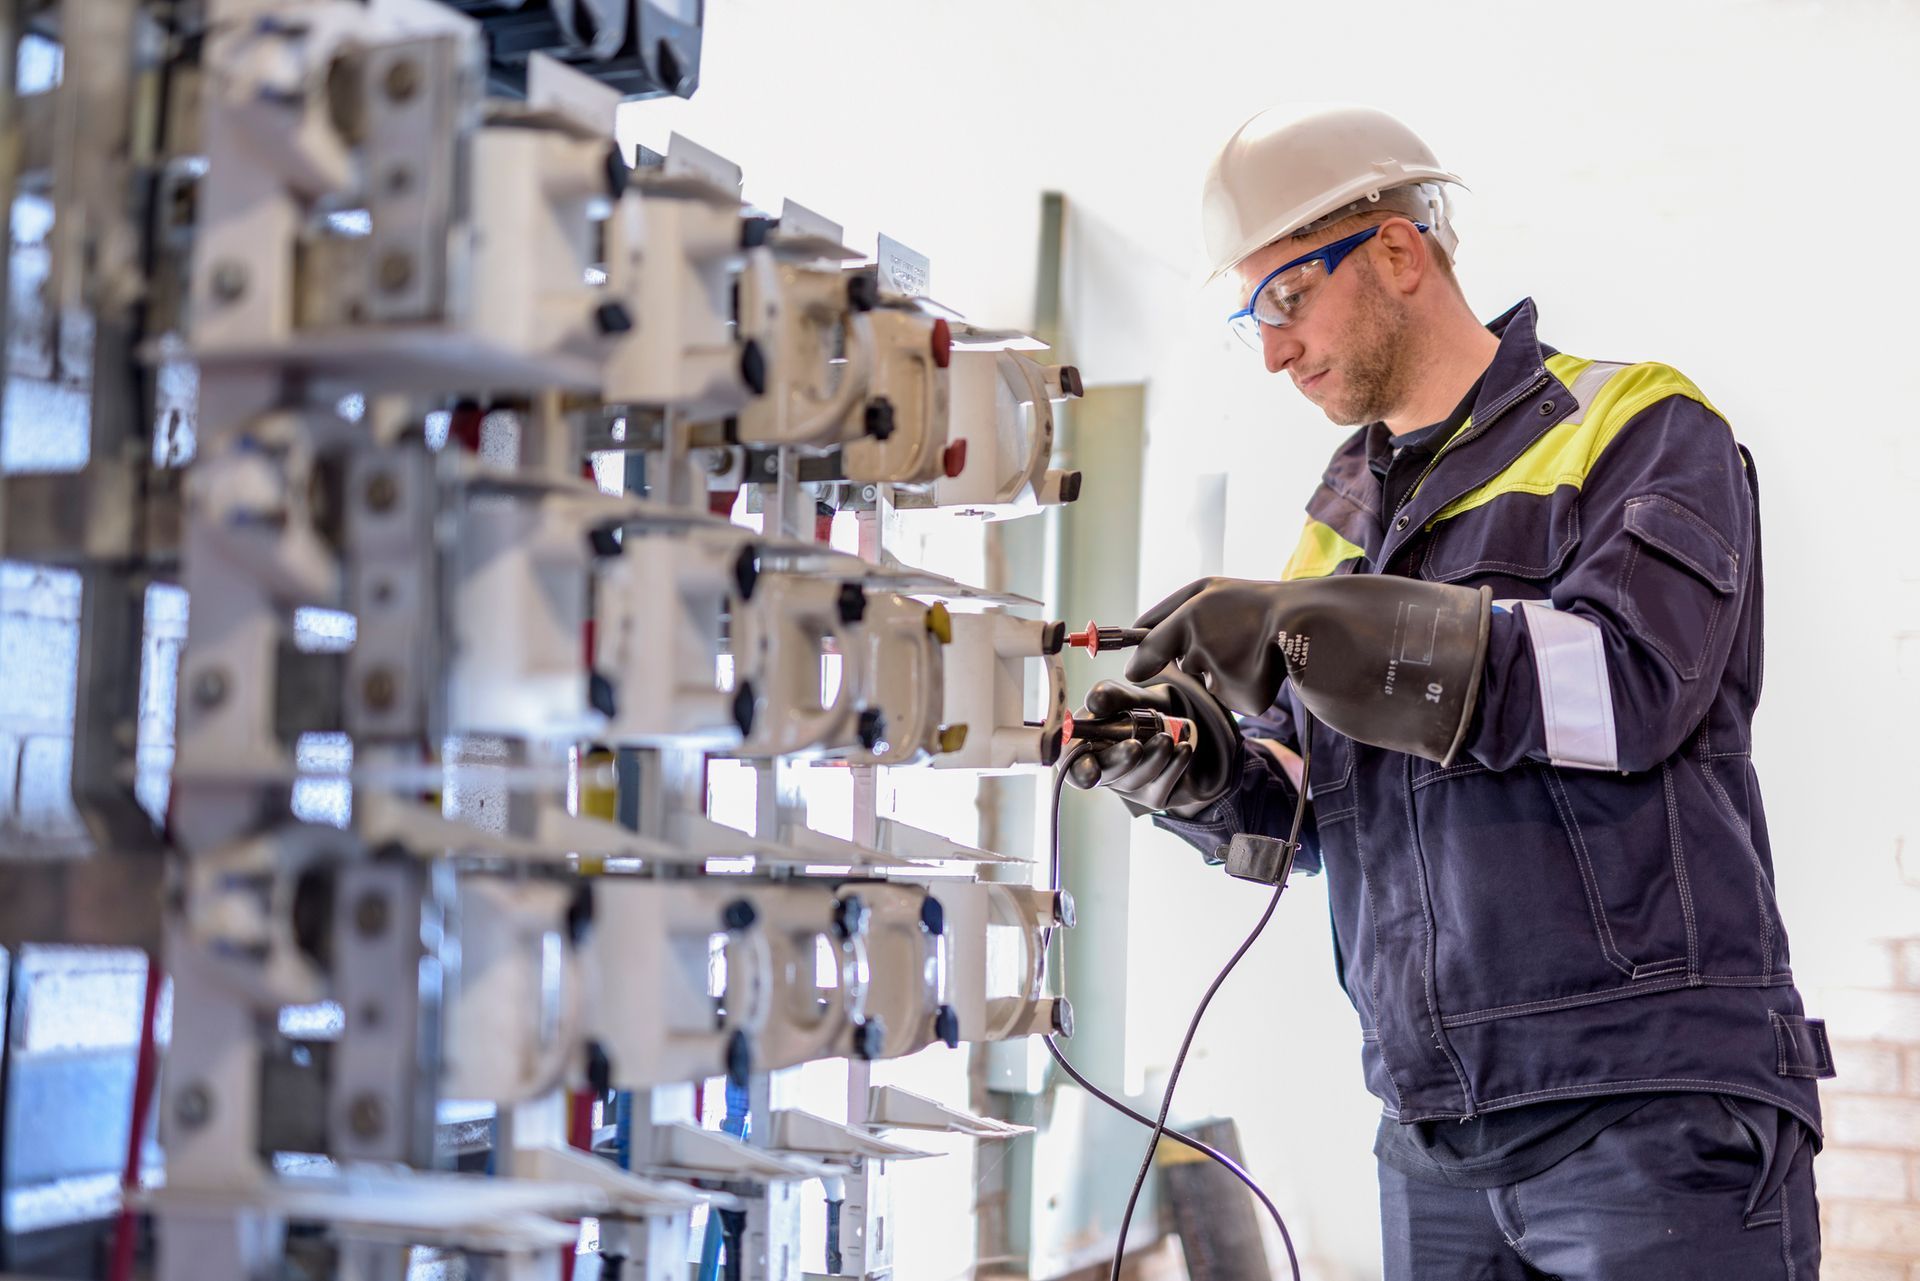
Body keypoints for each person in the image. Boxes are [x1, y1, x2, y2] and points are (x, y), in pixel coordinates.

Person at [1069, 104, 1833, 1279]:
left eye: (1285, 299)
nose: (1273, 349)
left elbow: (1622, 688)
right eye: (1251, 318)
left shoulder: (1638, 429)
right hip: (1432, 1128)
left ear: (1394, 253)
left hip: (1649, 1107)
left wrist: (1307, 627)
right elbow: (1315, 802)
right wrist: (1199, 771)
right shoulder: (1344, 516)